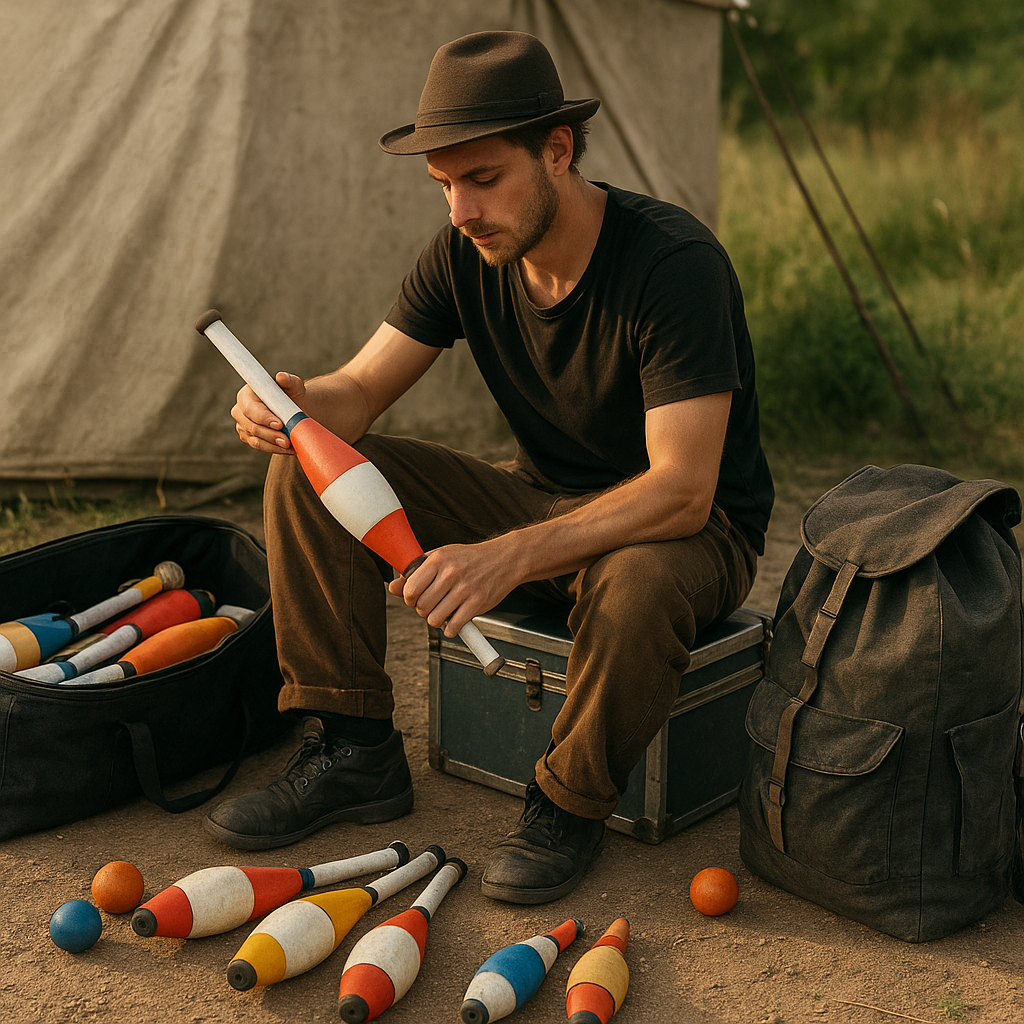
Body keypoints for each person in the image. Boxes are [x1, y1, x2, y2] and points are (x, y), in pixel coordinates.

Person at [204, 30, 774, 905]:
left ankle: (565, 803)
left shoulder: (673, 265)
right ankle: (353, 748)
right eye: (444, 186)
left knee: (638, 586)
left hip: (688, 534)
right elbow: (358, 390)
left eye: (482, 179)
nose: (460, 211)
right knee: (306, 472)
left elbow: (684, 489)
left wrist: (508, 554)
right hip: (538, 501)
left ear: (557, 150)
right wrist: (294, 405)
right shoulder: (465, 254)